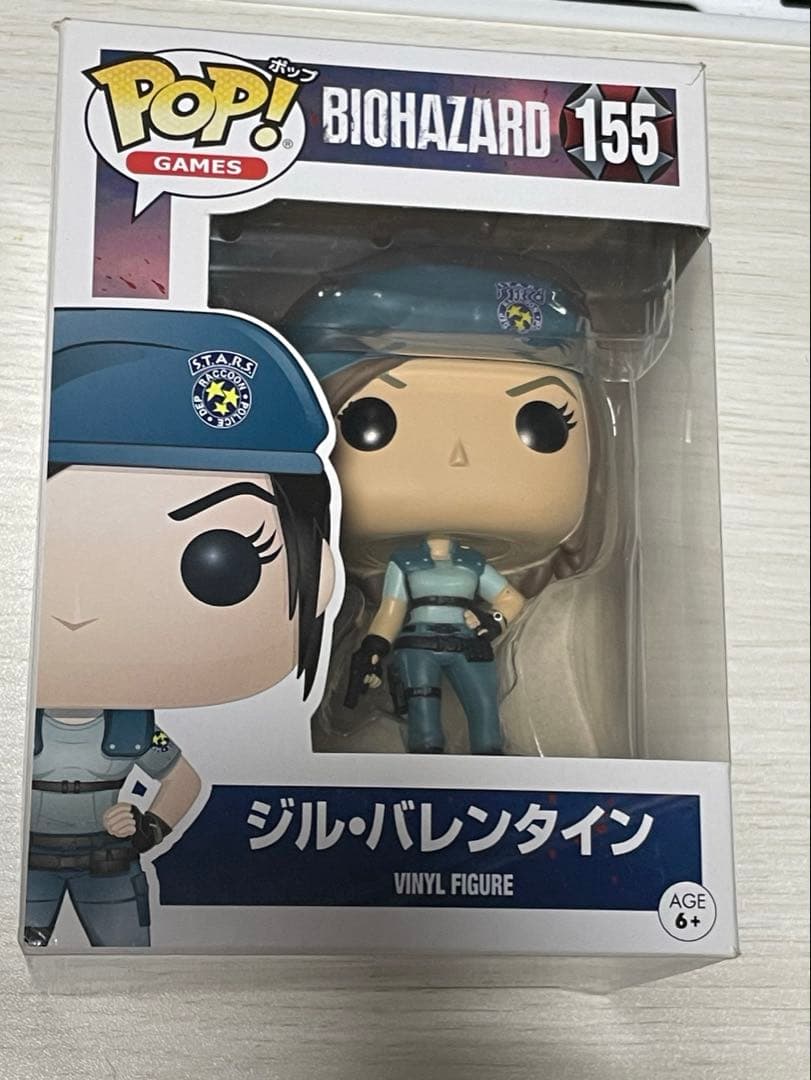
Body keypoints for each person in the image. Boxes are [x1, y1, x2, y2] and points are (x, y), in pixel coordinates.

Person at [25, 307, 336, 946]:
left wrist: (147, 829)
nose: (75, 610)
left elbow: (183, 779)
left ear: (321, 572)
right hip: (22, 865)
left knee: (125, 961)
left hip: (107, 863)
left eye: (220, 561)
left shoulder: (133, 728)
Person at [283, 257, 599, 754]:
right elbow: (390, 610)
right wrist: (372, 648)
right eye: (369, 421)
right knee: (424, 723)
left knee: (486, 718)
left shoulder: (473, 564)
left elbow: (509, 601)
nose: (459, 455)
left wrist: (490, 624)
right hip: (417, 647)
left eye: (542, 422)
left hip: (468, 644)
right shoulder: (404, 565)